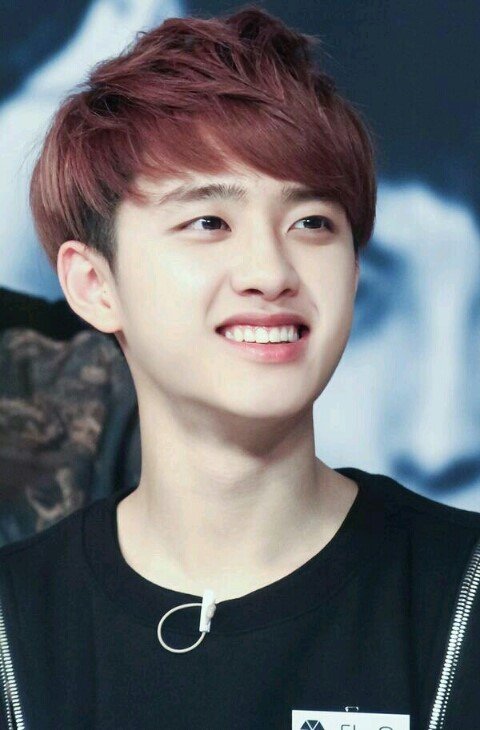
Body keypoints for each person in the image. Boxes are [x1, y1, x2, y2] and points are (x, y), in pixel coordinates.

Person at [0, 6, 478, 729]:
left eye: (312, 223)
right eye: (209, 222)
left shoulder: (461, 593)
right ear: (94, 284)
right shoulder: (16, 623)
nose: (270, 271)